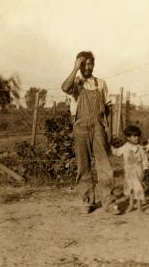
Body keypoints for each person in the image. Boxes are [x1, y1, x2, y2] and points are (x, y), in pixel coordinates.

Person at [61, 51, 120, 215]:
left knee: (105, 165)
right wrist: (74, 69)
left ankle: (109, 201)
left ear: (94, 64)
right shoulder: (75, 83)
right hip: (80, 127)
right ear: (79, 65)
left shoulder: (100, 83)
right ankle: (87, 200)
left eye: (90, 64)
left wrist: (109, 129)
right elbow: (65, 87)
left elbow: (108, 108)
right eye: (84, 64)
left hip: (99, 127)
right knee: (83, 165)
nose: (87, 67)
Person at [111, 125, 149, 213]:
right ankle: (131, 205)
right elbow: (117, 152)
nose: (136, 138)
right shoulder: (125, 147)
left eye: (137, 136)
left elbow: (145, 160)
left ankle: (139, 206)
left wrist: (145, 170)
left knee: (138, 189)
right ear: (128, 137)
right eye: (134, 136)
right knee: (131, 189)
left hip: (138, 171)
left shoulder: (140, 148)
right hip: (128, 172)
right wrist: (112, 147)